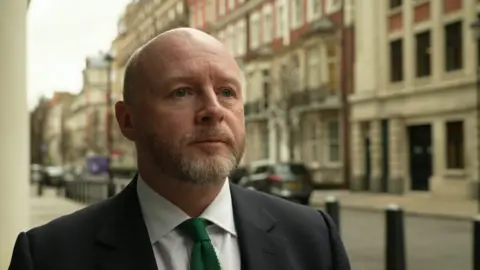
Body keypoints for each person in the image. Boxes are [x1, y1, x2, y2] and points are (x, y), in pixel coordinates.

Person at [9, 28, 350, 270]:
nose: (214, 109)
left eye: (227, 92)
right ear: (128, 121)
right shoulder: (50, 256)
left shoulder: (313, 238)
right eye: (182, 92)